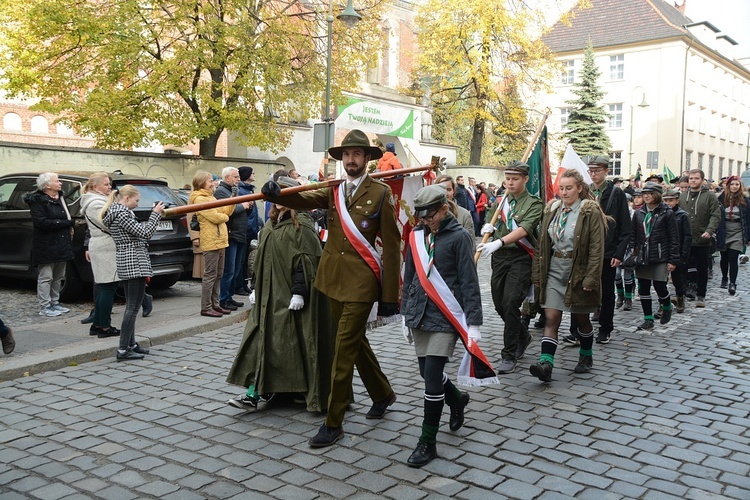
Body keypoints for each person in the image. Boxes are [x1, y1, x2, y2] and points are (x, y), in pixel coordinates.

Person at [261, 129, 401, 448]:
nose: (351, 160)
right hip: (331, 279)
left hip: (362, 283)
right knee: (355, 343)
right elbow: (304, 198)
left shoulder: (380, 194)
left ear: (367, 159)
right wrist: (277, 194)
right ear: (342, 160)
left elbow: (392, 247)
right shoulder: (335, 189)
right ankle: (382, 393)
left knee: (342, 351)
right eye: (346, 155)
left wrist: (390, 296)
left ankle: (333, 422)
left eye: (357, 154)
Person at [227, 176, 334, 413]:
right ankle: (256, 391)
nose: (277, 201)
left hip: (290, 297)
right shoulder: (270, 226)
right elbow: (261, 261)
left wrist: (299, 292)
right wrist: (255, 287)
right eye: (275, 196)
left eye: (283, 195)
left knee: (290, 343)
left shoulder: (302, 227)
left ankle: (295, 389)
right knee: (261, 340)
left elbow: (305, 263)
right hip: (268, 297)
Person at [401, 184, 479, 467]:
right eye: (421, 217)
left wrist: (474, 322)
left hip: (447, 315)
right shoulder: (416, 235)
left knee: (432, 376)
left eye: (430, 216)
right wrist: (404, 315)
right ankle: (456, 400)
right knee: (426, 372)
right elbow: (409, 276)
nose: (425, 221)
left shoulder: (459, 238)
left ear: (444, 209)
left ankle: (427, 441)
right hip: (421, 313)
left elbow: (469, 281)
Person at [529, 169, 606, 382]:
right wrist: (537, 273)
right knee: (551, 317)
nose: (564, 192)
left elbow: (596, 248)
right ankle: (546, 364)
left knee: (581, 319)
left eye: (569, 188)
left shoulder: (589, 211)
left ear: (579, 189)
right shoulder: (552, 209)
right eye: (561, 188)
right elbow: (542, 244)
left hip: (578, 270)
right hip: (554, 268)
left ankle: (586, 356)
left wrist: (591, 278)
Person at [477, 161, 543, 374]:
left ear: (525, 179)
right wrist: (487, 230)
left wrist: (500, 241)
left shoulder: (534, 203)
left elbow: (525, 229)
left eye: (515, 179)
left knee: (510, 302)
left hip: (520, 258)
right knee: (499, 303)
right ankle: (523, 335)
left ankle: (509, 353)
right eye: (507, 178)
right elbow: (491, 226)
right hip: (500, 259)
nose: (510, 182)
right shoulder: (500, 201)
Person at [563, 155, 631, 346]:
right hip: (584, 250)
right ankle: (575, 331)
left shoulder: (615, 193)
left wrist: (619, 253)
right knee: (578, 288)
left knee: (606, 292)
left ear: (606, 171)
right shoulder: (584, 191)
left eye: (597, 171)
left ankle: (605, 328)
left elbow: (625, 227)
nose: (593, 174)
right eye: (591, 171)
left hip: (607, 250)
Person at [102, 185, 164, 361]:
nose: (137, 204)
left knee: (132, 306)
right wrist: (155, 214)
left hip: (127, 259)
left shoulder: (116, 212)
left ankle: (131, 344)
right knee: (132, 308)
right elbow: (145, 233)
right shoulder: (122, 214)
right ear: (127, 198)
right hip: (134, 261)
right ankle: (123, 349)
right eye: (136, 200)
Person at [23, 172, 74, 317]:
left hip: (62, 243)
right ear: (47, 185)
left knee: (59, 276)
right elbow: (41, 223)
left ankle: (55, 302)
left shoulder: (61, 199)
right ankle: (45, 305)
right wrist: (64, 223)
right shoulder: (38, 201)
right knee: (46, 276)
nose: (60, 183)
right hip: (46, 244)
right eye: (57, 181)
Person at [630, 182, 679, 331]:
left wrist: (673, 259)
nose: (645, 196)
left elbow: (674, 237)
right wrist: (632, 250)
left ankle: (667, 305)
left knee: (660, 286)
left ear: (657, 195)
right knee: (643, 288)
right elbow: (633, 234)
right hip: (642, 256)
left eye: (649, 193)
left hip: (660, 255)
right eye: (644, 193)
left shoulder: (667, 213)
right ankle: (648, 319)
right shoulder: (639, 213)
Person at [80, 172, 121, 338]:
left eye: (109, 184)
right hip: (105, 246)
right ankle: (104, 326)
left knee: (107, 286)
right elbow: (109, 224)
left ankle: (98, 324)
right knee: (107, 286)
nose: (109, 187)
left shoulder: (99, 200)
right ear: (94, 186)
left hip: (105, 246)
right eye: (105, 184)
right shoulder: (95, 203)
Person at [188, 171, 235, 317]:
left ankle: (215, 304)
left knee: (219, 274)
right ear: (201, 182)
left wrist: (232, 200)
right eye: (210, 180)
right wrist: (225, 217)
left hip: (220, 240)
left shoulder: (211, 197)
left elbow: (225, 210)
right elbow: (215, 217)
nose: (213, 183)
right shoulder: (199, 199)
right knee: (210, 275)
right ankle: (206, 307)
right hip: (211, 240)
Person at [680, 169, 720, 308]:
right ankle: (683, 293)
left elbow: (715, 215)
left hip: (702, 238)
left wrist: (709, 231)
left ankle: (701, 295)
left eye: (696, 178)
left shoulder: (709, 196)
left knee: (702, 269)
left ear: (702, 180)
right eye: (691, 178)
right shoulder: (683, 196)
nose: (693, 181)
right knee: (683, 267)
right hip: (685, 239)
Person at [214, 167, 251, 312]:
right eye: (236, 177)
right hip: (231, 234)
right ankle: (223, 299)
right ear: (227, 177)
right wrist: (243, 206)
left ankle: (228, 297)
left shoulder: (233, 191)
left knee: (235, 269)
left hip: (239, 233)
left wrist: (248, 205)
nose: (238, 179)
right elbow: (229, 211)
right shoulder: (221, 192)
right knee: (228, 270)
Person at [716, 176, 750, 295]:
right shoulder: (721, 198)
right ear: (728, 185)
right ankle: (724, 278)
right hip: (724, 229)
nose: (734, 187)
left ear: (740, 186)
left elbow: (748, 218)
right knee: (724, 257)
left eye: (737, 184)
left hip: (738, 231)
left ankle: (732, 283)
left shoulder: (745, 200)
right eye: (732, 184)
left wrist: (748, 236)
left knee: (733, 257)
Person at [663, 188, 692, 312]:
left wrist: (684, 254)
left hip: (677, 251)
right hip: (664, 250)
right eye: (666, 200)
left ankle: (680, 298)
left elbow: (687, 236)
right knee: (661, 279)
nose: (668, 203)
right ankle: (663, 302)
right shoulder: (662, 213)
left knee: (677, 279)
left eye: (671, 200)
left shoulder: (682, 215)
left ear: (677, 201)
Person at [237, 166, 260, 295]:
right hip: (245, 229)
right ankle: (239, 285)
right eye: (252, 172)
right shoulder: (242, 191)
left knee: (245, 260)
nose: (254, 174)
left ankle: (243, 284)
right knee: (240, 261)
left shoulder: (248, 190)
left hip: (250, 228)